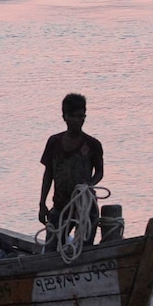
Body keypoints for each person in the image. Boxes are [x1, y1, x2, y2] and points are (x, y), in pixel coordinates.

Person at [38, 93, 104, 251]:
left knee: (85, 249)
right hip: (60, 205)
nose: (77, 120)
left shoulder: (93, 144)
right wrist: (42, 203)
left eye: (81, 116)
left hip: (85, 206)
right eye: (73, 116)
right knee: (51, 250)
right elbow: (48, 175)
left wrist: (89, 185)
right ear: (64, 117)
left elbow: (100, 172)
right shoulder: (54, 142)